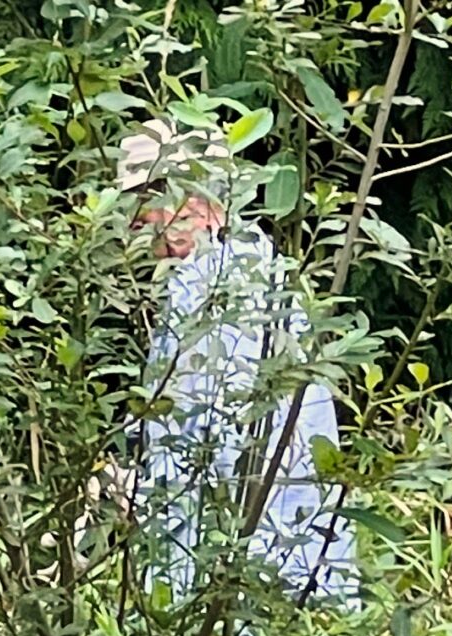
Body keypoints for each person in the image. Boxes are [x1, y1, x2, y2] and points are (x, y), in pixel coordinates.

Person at [120, 119, 357, 610]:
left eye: (154, 197)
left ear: (207, 203)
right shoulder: (262, 264)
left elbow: (185, 441)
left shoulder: (202, 286)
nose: (139, 220)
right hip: (300, 554)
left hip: (231, 556)